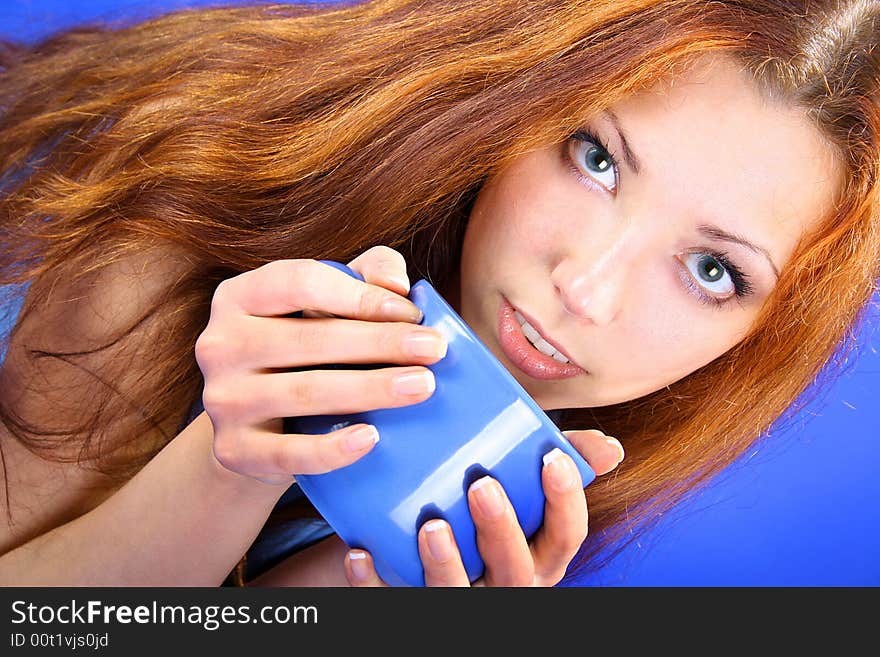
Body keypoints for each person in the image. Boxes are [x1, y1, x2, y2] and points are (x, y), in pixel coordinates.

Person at [0, 0, 877, 587]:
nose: (585, 287)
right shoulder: (171, 228)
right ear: (521, 103)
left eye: (712, 269)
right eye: (597, 159)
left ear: (762, 333)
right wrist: (234, 467)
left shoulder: (537, 475)